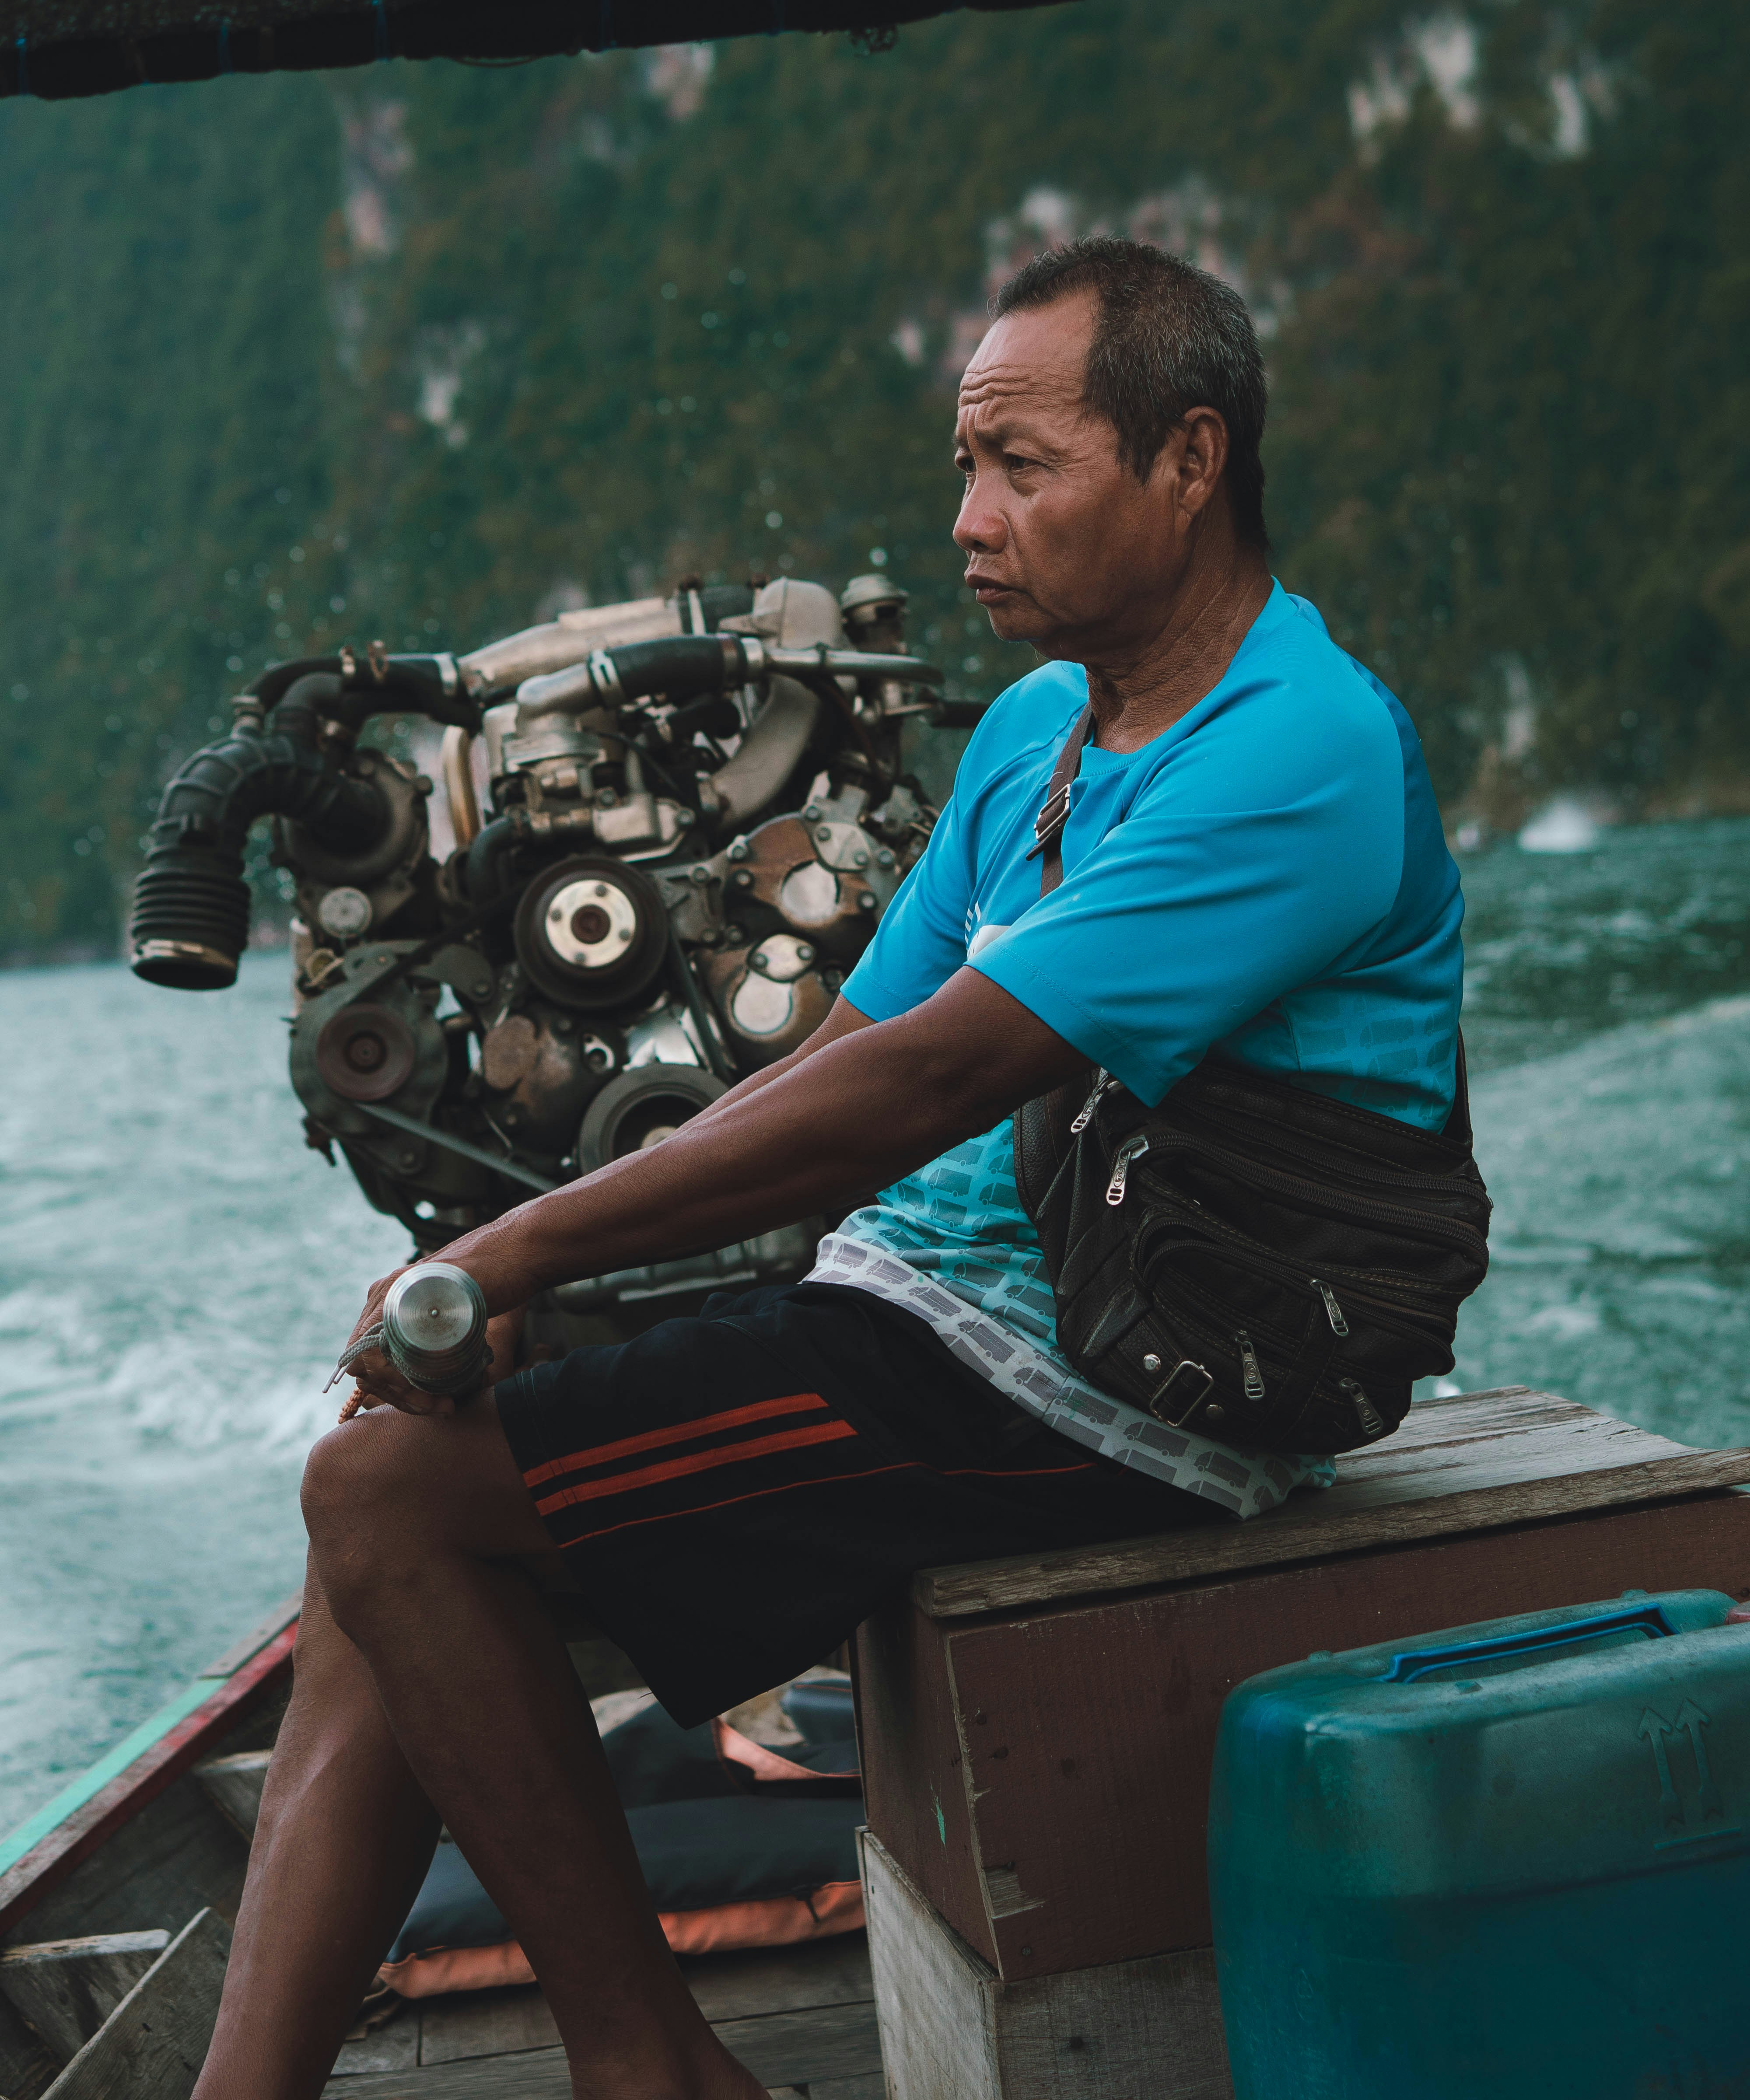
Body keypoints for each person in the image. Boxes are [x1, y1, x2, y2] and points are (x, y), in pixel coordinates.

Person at [193, 235, 1463, 2100]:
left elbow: (933, 1080)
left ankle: (655, 2073)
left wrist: (519, 1256)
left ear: (1190, 462)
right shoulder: (1038, 732)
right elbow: (852, 1047)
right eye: (966, 465)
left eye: (1022, 467)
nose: (968, 518)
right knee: (372, 1504)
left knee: (391, 1508)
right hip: (926, 1308)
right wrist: (523, 1281)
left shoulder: (1301, 753)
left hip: (1120, 1385)